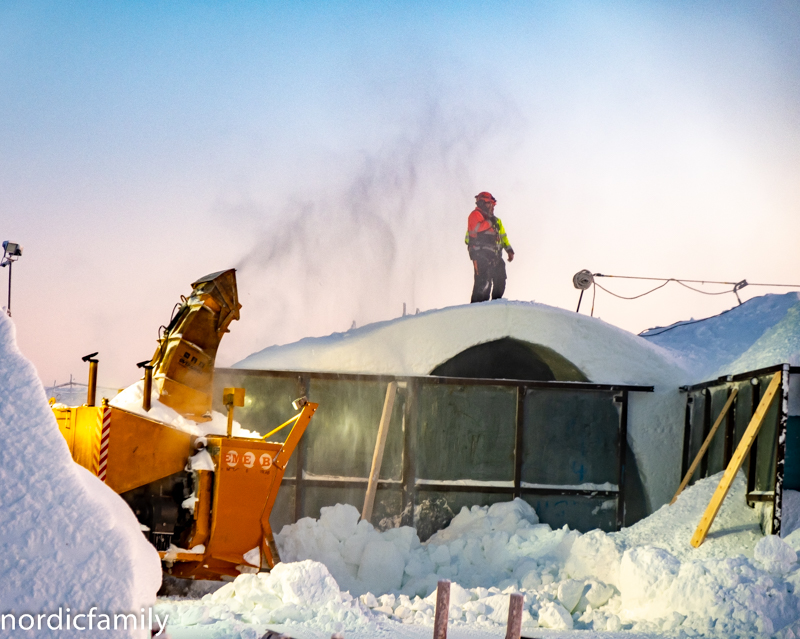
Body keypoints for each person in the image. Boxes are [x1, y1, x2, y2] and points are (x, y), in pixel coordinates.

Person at [465, 191, 514, 303]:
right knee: (483, 282)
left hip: (495, 254)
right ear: (482, 203)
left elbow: (503, 236)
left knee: (500, 279)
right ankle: (477, 308)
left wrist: (509, 249)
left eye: (492, 204)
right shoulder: (475, 215)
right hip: (480, 253)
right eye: (490, 204)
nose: (492, 207)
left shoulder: (496, 221)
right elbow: (476, 230)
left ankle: (495, 305)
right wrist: (490, 222)